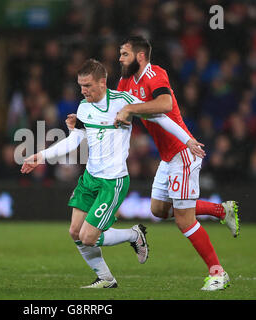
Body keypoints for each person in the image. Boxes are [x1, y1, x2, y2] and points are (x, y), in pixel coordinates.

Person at [21, 59, 204, 288]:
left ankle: (134, 235)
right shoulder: (84, 108)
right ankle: (106, 278)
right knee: (75, 232)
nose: (83, 90)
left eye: (87, 85)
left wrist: (187, 139)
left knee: (89, 237)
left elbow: (159, 117)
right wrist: (41, 156)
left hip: (112, 181)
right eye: (80, 85)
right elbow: (74, 140)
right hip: (90, 178)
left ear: (102, 82)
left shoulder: (123, 102)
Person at [114, 36, 239, 291]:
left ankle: (218, 272)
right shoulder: (125, 82)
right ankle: (220, 211)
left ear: (140, 56)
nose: (120, 58)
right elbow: (117, 108)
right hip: (168, 156)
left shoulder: (156, 74)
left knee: (184, 219)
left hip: (183, 152)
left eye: (124, 54)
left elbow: (165, 104)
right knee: (159, 210)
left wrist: (132, 109)